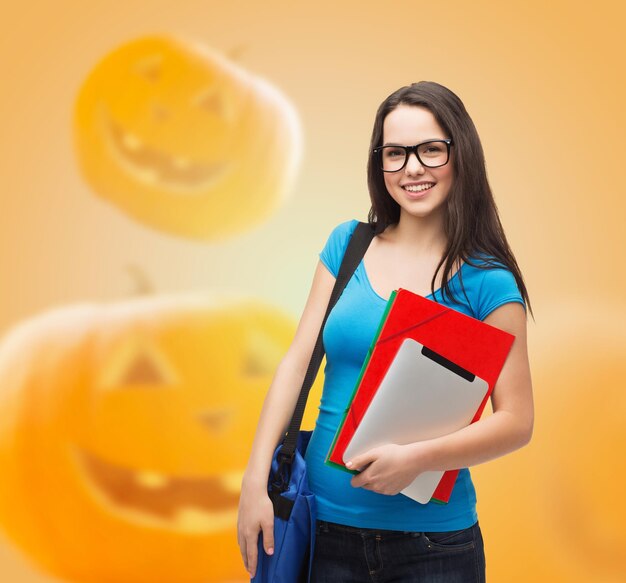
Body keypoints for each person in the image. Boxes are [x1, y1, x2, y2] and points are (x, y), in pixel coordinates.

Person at [237, 81, 534, 583]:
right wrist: (253, 480)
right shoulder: (347, 245)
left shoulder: (488, 281)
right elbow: (295, 363)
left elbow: (517, 421)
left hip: (435, 548)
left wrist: (415, 459)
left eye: (430, 150)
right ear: (380, 163)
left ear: (460, 155)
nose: (412, 168)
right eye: (395, 153)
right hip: (323, 530)